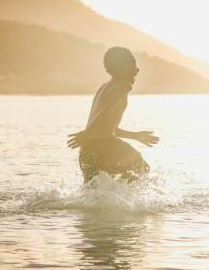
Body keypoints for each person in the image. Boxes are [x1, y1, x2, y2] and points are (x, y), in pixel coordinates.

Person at [67, 46, 159, 184]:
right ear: (122, 67)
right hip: (106, 146)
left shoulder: (103, 87)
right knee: (142, 168)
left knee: (91, 190)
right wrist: (87, 132)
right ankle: (120, 201)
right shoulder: (124, 85)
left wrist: (135, 135)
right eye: (133, 65)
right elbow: (107, 111)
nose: (137, 70)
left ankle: (111, 198)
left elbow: (106, 126)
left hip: (87, 147)